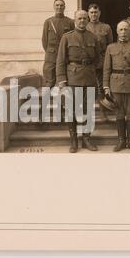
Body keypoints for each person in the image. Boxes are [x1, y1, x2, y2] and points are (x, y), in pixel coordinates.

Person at [56, 10, 101, 153]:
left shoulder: (93, 37)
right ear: (75, 20)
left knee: (89, 111)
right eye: (79, 18)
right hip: (72, 79)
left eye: (84, 18)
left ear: (88, 20)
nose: (82, 21)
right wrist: (62, 82)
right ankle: (74, 140)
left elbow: (97, 59)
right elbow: (60, 61)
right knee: (72, 111)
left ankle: (86, 139)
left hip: (89, 78)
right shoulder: (67, 37)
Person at [103, 21, 130, 152]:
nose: (124, 32)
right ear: (117, 31)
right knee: (119, 113)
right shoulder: (111, 47)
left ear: (129, 31)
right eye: (121, 29)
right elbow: (107, 68)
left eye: (126, 29)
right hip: (116, 84)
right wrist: (106, 86)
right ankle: (121, 141)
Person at [86, 3, 114, 122]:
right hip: (88, 62)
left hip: (102, 61)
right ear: (88, 13)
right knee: (88, 88)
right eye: (91, 12)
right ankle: (87, 114)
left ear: (99, 13)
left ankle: (103, 113)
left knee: (101, 87)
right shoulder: (84, 26)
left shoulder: (106, 27)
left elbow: (110, 46)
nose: (94, 15)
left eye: (96, 12)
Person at [41, 0, 75, 88]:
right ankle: (46, 101)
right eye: (57, 5)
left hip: (65, 56)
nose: (59, 7)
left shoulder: (70, 22)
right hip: (51, 57)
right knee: (49, 81)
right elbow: (44, 41)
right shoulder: (48, 22)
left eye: (61, 5)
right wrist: (51, 51)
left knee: (65, 81)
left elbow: (72, 39)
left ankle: (63, 101)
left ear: (64, 7)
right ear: (54, 7)